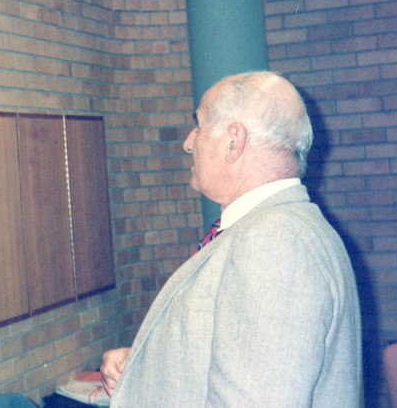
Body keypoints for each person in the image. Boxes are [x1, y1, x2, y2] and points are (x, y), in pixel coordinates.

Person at [100, 71, 362, 406]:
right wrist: (144, 364)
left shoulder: (275, 243)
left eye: (200, 124)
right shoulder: (279, 228)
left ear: (233, 141)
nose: (189, 141)